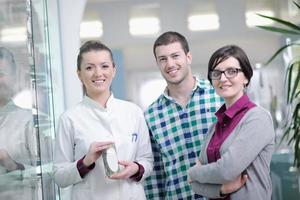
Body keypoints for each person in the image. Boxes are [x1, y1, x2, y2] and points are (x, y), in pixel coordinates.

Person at [53, 40, 153, 200]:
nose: (98, 73)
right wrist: (85, 162)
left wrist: (136, 168)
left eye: (104, 66)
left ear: (114, 70)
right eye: (89, 67)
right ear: (79, 74)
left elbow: (147, 160)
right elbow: (59, 176)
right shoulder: (69, 118)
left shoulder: (133, 112)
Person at [143, 31, 223, 199]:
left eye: (175, 56)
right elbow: (155, 177)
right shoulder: (151, 115)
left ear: (188, 57)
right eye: (163, 59)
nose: (170, 64)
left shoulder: (219, 97)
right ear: (157, 63)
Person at [188, 45, 275, 199]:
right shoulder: (214, 127)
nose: (223, 78)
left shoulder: (257, 118)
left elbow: (227, 170)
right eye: (216, 73)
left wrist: (193, 172)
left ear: (246, 77)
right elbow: (194, 185)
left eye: (231, 71)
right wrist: (222, 189)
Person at [0, 47, 39, 199]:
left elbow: (50, 175)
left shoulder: (28, 122)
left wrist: (12, 165)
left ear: (13, 77)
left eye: (1, 74)